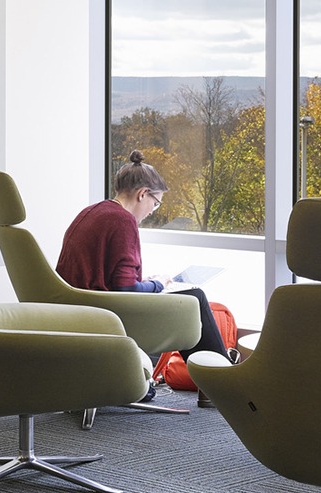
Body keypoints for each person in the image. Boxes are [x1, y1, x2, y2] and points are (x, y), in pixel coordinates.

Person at [57, 151, 230, 396]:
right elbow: (126, 289)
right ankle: (224, 384)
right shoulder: (123, 221)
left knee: (189, 296)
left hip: (78, 308)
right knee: (195, 298)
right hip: (107, 315)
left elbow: (111, 277)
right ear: (142, 194)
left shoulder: (92, 212)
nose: (152, 211)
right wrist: (158, 284)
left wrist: (146, 282)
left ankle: (217, 382)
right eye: (155, 203)